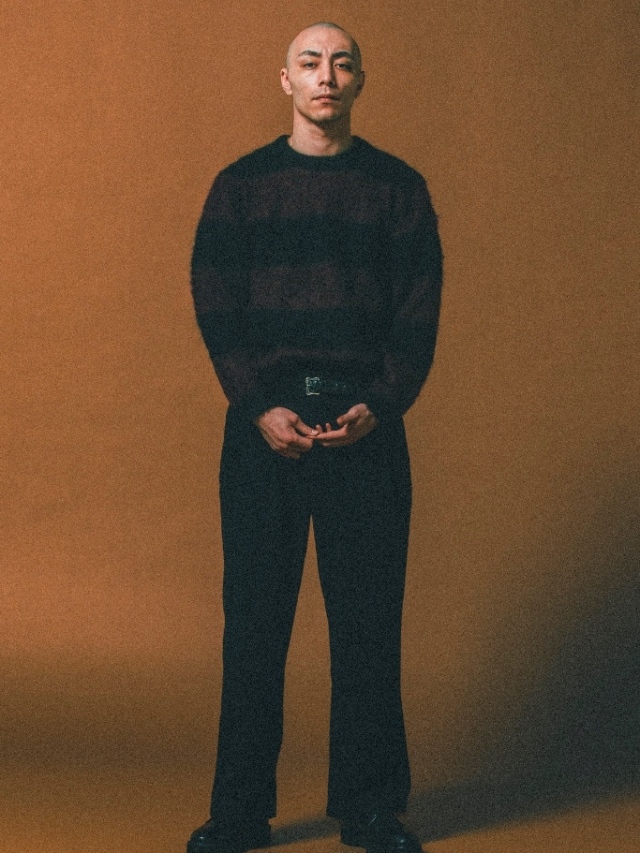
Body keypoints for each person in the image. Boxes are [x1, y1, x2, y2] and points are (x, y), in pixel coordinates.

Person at [187, 22, 443, 853]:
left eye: (341, 63)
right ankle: (238, 812)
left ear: (360, 80)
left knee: (367, 630)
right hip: (263, 434)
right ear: (285, 81)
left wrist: (380, 403)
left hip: (365, 435)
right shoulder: (241, 188)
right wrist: (257, 404)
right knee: (253, 630)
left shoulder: (397, 189)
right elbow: (216, 302)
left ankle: (369, 809)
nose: (325, 76)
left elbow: (418, 313)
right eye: (310, 62)